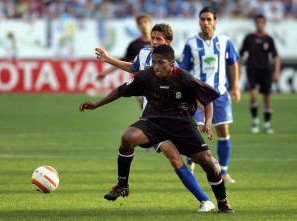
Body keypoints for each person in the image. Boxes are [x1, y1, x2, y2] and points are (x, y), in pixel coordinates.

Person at [79, 44, 234, 213]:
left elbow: (207, 99)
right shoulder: (146, 76)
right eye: (154, 62)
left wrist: (208, 123)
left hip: (182, 123)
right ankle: (122, 185)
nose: (157, 66)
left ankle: (223, 203)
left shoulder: (185, 78)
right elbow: (121, 90)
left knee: (208, 163)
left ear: (172, 62)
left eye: (161, 62)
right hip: (154, 120)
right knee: (128, 137)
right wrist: (96, 104)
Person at [179, 6, 241, 183]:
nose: (205, 22)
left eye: (208, 19)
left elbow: (233, 62)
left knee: (223, 131)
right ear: (199, 21)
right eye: (202, 19)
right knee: (196, 130)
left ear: (215, 22)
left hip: (220, 93)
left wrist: (235, 86)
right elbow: (184, 68)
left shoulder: (224, 41)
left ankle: (224, 171)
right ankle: (191, 164)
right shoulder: (191, 43)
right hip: (197, 95)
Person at [239, 14, 280, 134]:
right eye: (257, 22)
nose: (259, 24)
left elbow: (276, 57)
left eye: (261, 22)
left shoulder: (269, 39)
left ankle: (267, 124)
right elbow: (241, 54)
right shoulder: (249, 38)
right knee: (253, 96)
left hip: (266, 70)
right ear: (255, 23)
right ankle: (255, 121)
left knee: (267, 98)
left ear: (264, 23)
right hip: (252, 70)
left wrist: (276, 71)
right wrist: (239, 68)